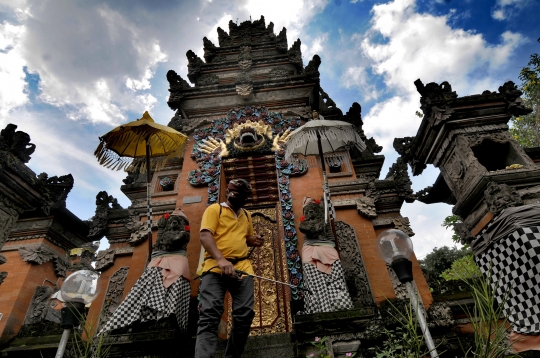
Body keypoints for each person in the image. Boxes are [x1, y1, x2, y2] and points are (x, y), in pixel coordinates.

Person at [195, 178, 263, 358]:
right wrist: (221, 260)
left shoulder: (246, 215)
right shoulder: (215, 210)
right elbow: (204, 236)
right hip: (214, 267)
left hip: (242, 267)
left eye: (242, 196)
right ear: (228, 192)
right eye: (235, 193)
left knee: (244, 315)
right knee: (209, 315)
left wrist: (253, 240)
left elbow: (245, 237)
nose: (238, 198)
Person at [99, 208, 191, 334]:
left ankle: (168, 314)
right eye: (171, 221)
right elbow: (162, 239)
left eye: (178, 221)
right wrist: (163, 226)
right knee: (147, 288)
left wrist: (166, 230)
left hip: (177, 262)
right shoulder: (163, 232)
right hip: (158, 262)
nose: (174, 223)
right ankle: (142, 317)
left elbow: (172, 241)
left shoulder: (183, 234)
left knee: (175, 287)